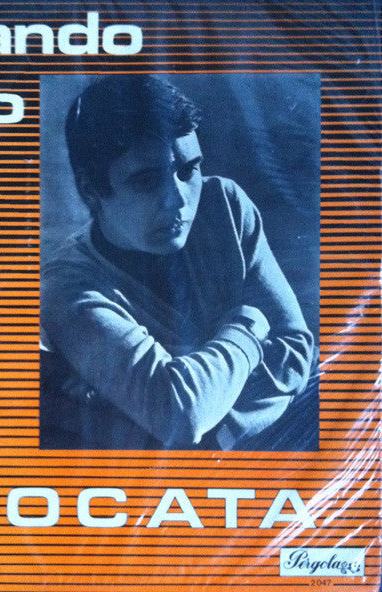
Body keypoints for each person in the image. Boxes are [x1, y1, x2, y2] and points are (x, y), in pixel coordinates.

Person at [40, 75, 315, 451]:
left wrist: (215, 429)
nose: (179, 200)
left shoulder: (225, 206)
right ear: (91, 190)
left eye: (188, 171)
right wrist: (248, 325)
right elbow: (180, 413)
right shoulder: (66, 286)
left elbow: (296, 349)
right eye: (146, 181)